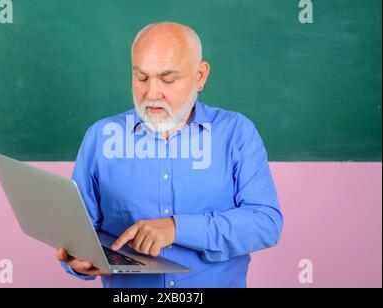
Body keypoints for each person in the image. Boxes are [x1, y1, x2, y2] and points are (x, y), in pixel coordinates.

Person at [57, 21, 283, 288]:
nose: (152, 93)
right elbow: (79, 233)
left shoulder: (237, 133)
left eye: (168, 79)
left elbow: (265, 223)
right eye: (141, 77)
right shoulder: (99, 138)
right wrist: (76, 261)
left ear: (200, 76)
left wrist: (176, 228)